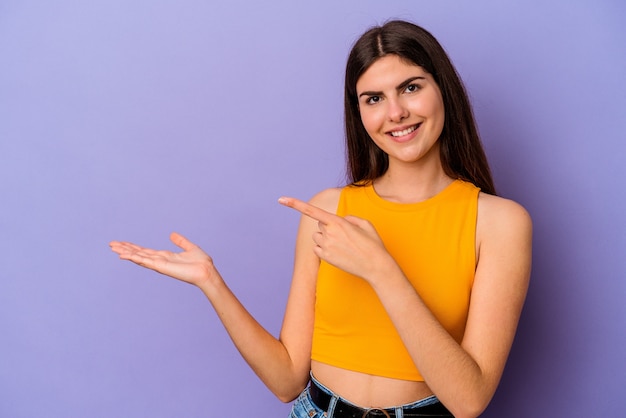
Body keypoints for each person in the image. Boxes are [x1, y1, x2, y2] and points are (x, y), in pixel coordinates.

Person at [110, 20, 532, 418]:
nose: (396, 112)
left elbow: (469, 401)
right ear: (360, 113)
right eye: (374, 99)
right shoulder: (327, 210)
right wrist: (211, 282)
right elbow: (286, 379)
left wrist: (381, 269)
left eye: (411, 87)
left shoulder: (498, 223)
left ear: (443, 90)